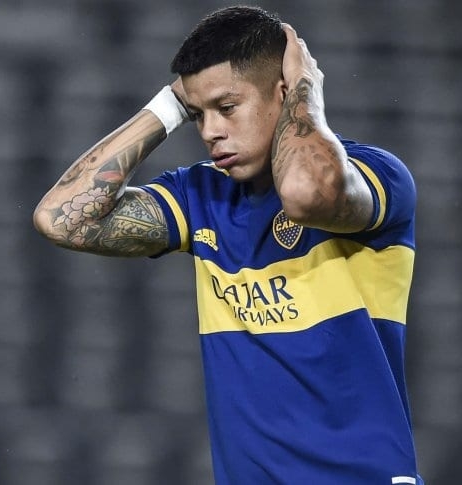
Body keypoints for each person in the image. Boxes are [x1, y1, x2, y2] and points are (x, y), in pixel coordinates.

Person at [33, 5, 424, 484]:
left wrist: (306, 86)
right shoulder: (202, 195)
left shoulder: (374, 174)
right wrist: (169, 106)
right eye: (197, 114)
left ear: (283, 92)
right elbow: (61, 220)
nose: (209, 131)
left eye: (227, 107)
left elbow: (304, 194)